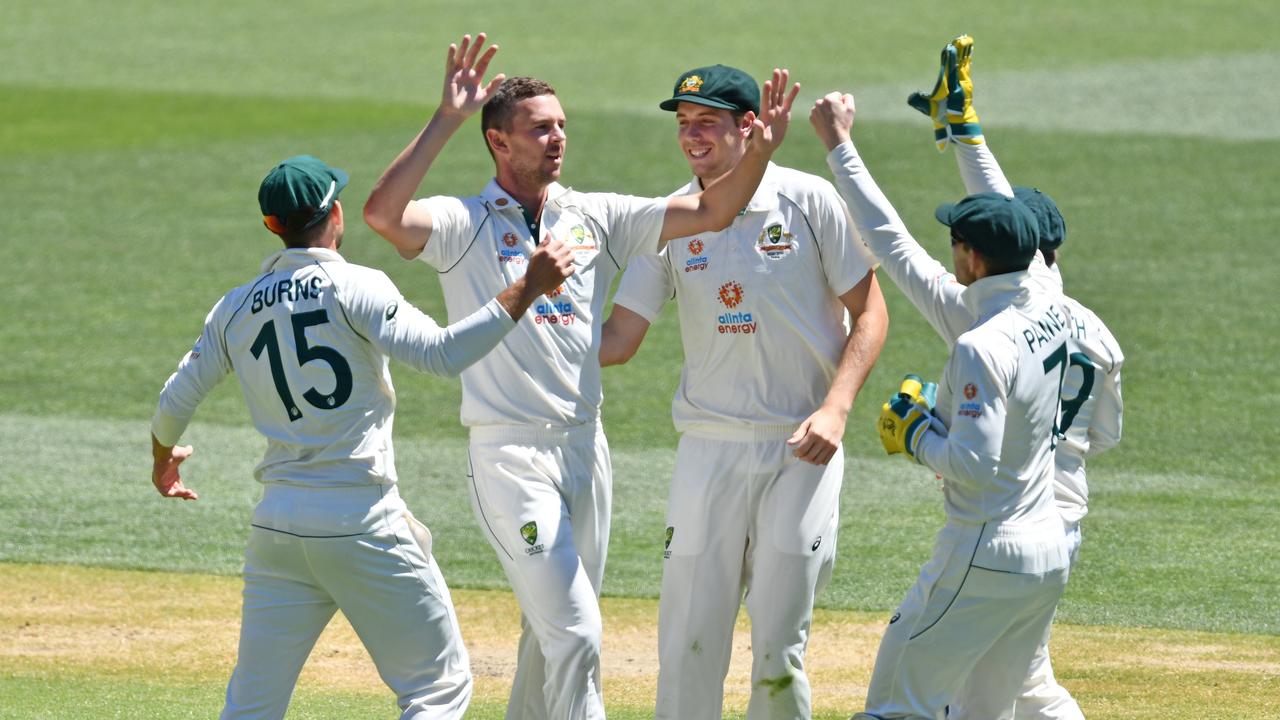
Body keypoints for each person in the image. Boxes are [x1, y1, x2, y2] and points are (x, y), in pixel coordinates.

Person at [362, 34, 799, 720]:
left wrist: (764, 151)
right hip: (508, 453)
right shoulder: (464, 223)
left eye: (561, 124)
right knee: (578, 634)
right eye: (540, 129)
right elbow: (383, 215)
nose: (557, 137)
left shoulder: (594, 215)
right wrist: (445, 118)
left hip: (583, 448)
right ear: (500, 144)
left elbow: (713, 211)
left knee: (553, 636)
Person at [149, 154, 575, 720]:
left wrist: (163, 461)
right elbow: (444, 355)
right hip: (361, 522)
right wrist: (528, 286)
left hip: (278, 527)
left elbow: (173, 400)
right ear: (336, 214)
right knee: (437, 691)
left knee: (251, 705)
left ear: (271, 225)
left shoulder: (233, 308)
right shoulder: (355, 284)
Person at [597, 63, 888, 719]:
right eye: (684, 125)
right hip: (708, 451)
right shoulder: (668, 219)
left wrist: (835, 409)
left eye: (708, 124)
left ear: (749, 126)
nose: (693, 137)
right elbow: (618, 339)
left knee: (778, 650)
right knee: (687, 644)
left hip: (802, 449)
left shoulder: (808, 201)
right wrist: (523, 343)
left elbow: (870, 312)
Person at [811, 92, 1073, 719]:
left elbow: (973, 464)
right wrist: (966, 134)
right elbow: (1009, 220)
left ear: (972, 258)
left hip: (986, 547)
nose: (950, 250)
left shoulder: (980, 343)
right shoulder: (1054, 305)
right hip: (1047, 551)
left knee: (898, 704)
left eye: (956, 241)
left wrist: (915, 432)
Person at [906, 36, 1124, 720]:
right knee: (1027, 683)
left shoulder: (1006, 322)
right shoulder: (1081, 323)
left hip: (1012, 517)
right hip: (1064, 513)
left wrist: (923, 436)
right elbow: (1109, 436)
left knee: (990, 691)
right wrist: (964, 130)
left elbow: (997, 218)